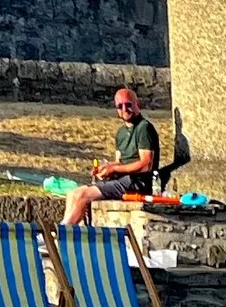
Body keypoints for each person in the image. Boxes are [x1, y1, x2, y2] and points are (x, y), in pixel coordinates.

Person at [62, 84, 161, 226]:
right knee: (73, 193)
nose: (124, 109)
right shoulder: (121, 133)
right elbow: (119, 162)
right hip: (122, 180)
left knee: (82, 195)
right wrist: (106, 168)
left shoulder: (144, 128)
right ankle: (64, 227)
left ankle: (63, 232)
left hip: (137, 182)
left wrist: (114, 169)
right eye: (120, 106)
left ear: (137, 104)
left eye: (128, 105)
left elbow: (146, 164)